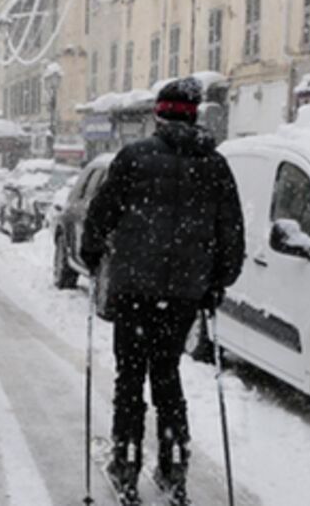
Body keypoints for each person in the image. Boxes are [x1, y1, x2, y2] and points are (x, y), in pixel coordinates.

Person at [81, 77, 245, 506]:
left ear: (159, 113)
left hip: (134, 290)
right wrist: (216, 284)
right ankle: (174, 469)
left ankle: (127, 462)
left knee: (130, 378)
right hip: (184, 296)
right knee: (167, 377)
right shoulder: (215, 166)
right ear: (196, 116)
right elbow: (231, 234)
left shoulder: (134, 158)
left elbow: (100, 214)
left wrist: (93, 252)